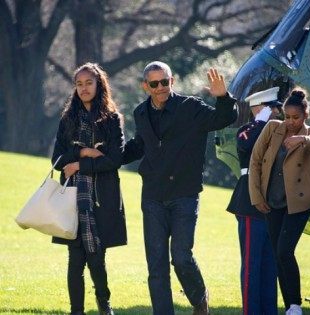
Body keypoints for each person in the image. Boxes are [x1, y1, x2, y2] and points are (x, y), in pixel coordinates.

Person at [123, 61, 237, 315]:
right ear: (146, 87)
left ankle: (199, 299)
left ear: (172, 81)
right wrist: (110, 156)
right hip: (152, 195)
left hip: (184, 194)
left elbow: (223, 118)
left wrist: (223, 98)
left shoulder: (191, 107)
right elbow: (140, 145)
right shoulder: (140, 113)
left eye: (165, 81)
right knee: (156, 264)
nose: (161, 87)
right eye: (155, 83)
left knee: (181, 256)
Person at [249, 89, 310, 315]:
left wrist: (304, 139)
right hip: (271, 202)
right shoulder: (272, 128)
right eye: (287, 117)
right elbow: (255, 162)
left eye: (295, 118)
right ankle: (290, 307)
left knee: (285, 251)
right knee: (279, 255)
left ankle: (295, 304)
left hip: (298, 203)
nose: (290, 122)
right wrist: (257, 197)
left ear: (306, 115)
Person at [51, 62, 127, 315]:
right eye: (79, 84)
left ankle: (104, 305)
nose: (83, 88)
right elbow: (57, 160)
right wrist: (84, 152)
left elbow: (114, 160)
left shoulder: (112, 120)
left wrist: (78, 165)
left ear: (99, 85)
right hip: (72, 200)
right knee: (75, 259)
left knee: (97, 258)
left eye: (88, 83)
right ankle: (76, 311)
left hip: (101, 200)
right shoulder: (68, 119)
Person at [227, 87, 281, 315]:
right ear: (259, 109)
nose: (278, 112)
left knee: (270, 266)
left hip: (275, 203)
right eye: (272, 108)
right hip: (250, 202)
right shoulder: (248, 130)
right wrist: (261, 122)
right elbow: (245, 145)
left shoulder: (280, 131)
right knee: (252, 265)